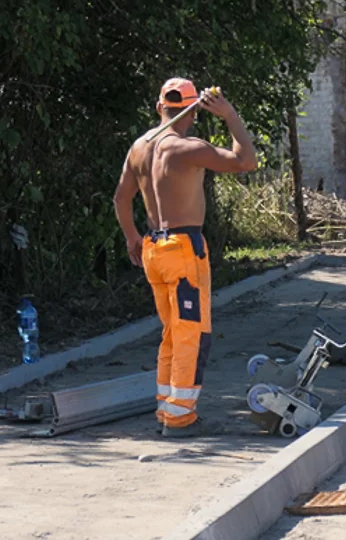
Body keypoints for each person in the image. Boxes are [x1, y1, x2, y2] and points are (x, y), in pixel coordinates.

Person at [113, 78, 257, 437]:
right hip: (183, 250)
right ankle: (180, 418)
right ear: (193, 112)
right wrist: (229, 115)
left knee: (171, 335)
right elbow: (247, 160)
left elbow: (120, 199)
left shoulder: (139, 148)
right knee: (192, 335)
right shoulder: (187, 147)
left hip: (153, 249)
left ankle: (167, 408)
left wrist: (133, 238)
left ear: (160, 107)